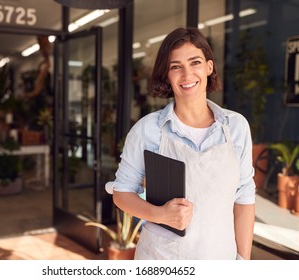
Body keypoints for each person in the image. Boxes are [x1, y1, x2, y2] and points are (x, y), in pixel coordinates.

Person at [105, 27, 256, 260]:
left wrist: (243, 261)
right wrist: (159, 214)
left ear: (209, 67)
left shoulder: (236, 127)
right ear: (167, 75)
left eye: (195, 62)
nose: (187, 75)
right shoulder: (148, 130)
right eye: (176, 66)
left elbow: (244, 197)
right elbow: (122, 193)